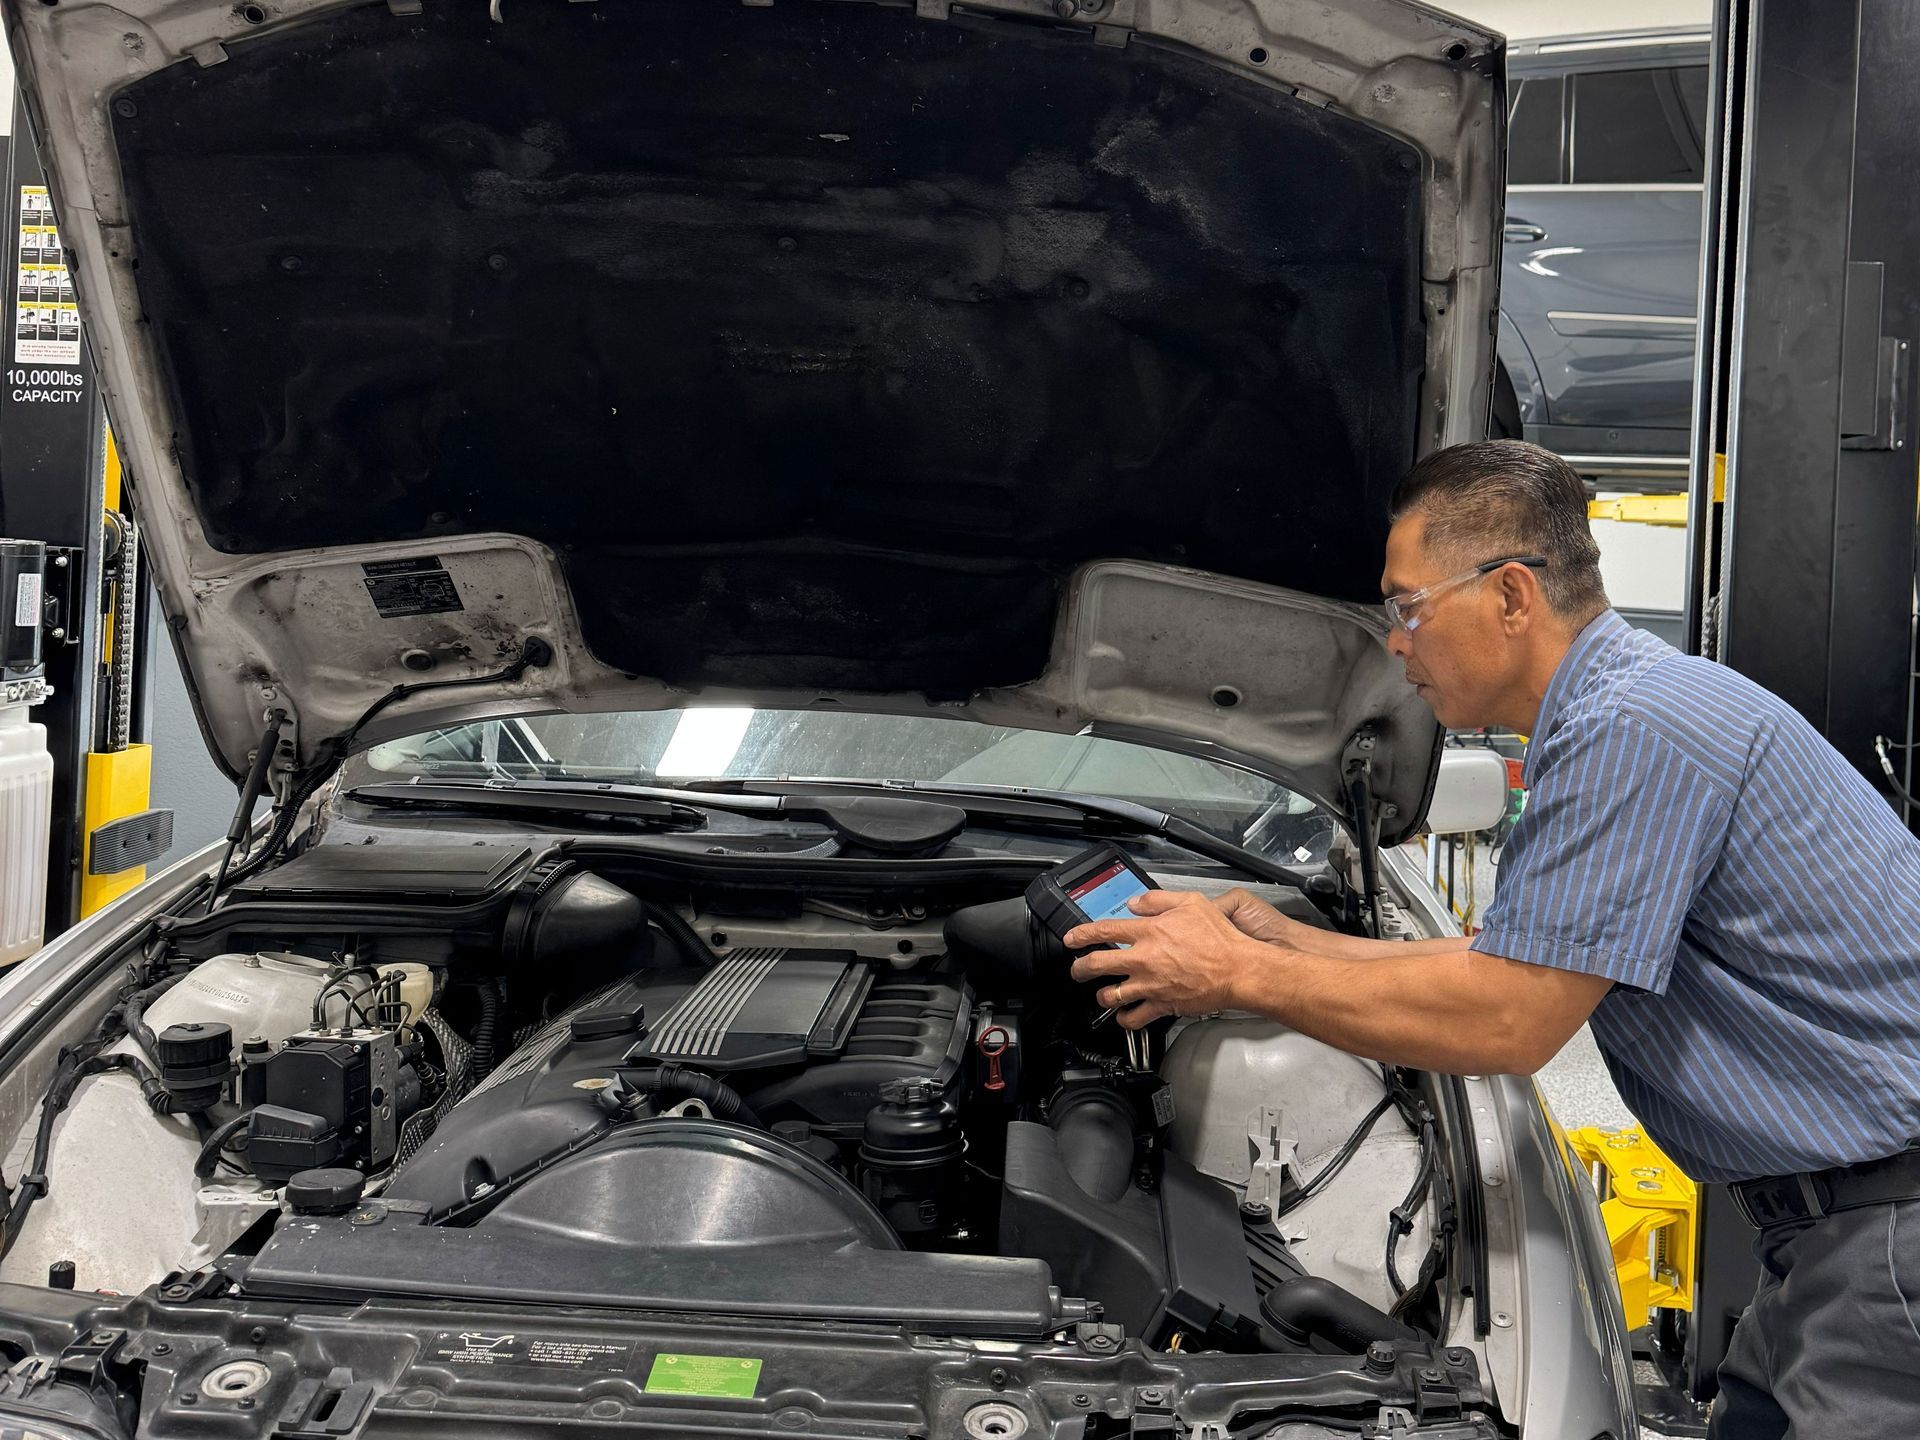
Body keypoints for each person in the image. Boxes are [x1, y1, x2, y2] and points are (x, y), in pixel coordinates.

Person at [1064, 439, 1920, 1436]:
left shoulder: (1633, 727)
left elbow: (1510, 1018)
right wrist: (1282, 945)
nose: (1394, 644)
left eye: (1407, 607)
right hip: (1832, 1232)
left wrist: (1240, 974)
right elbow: (1502, 962)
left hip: (1886, 1241)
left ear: (1512, 594)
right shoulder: (1617, 711)